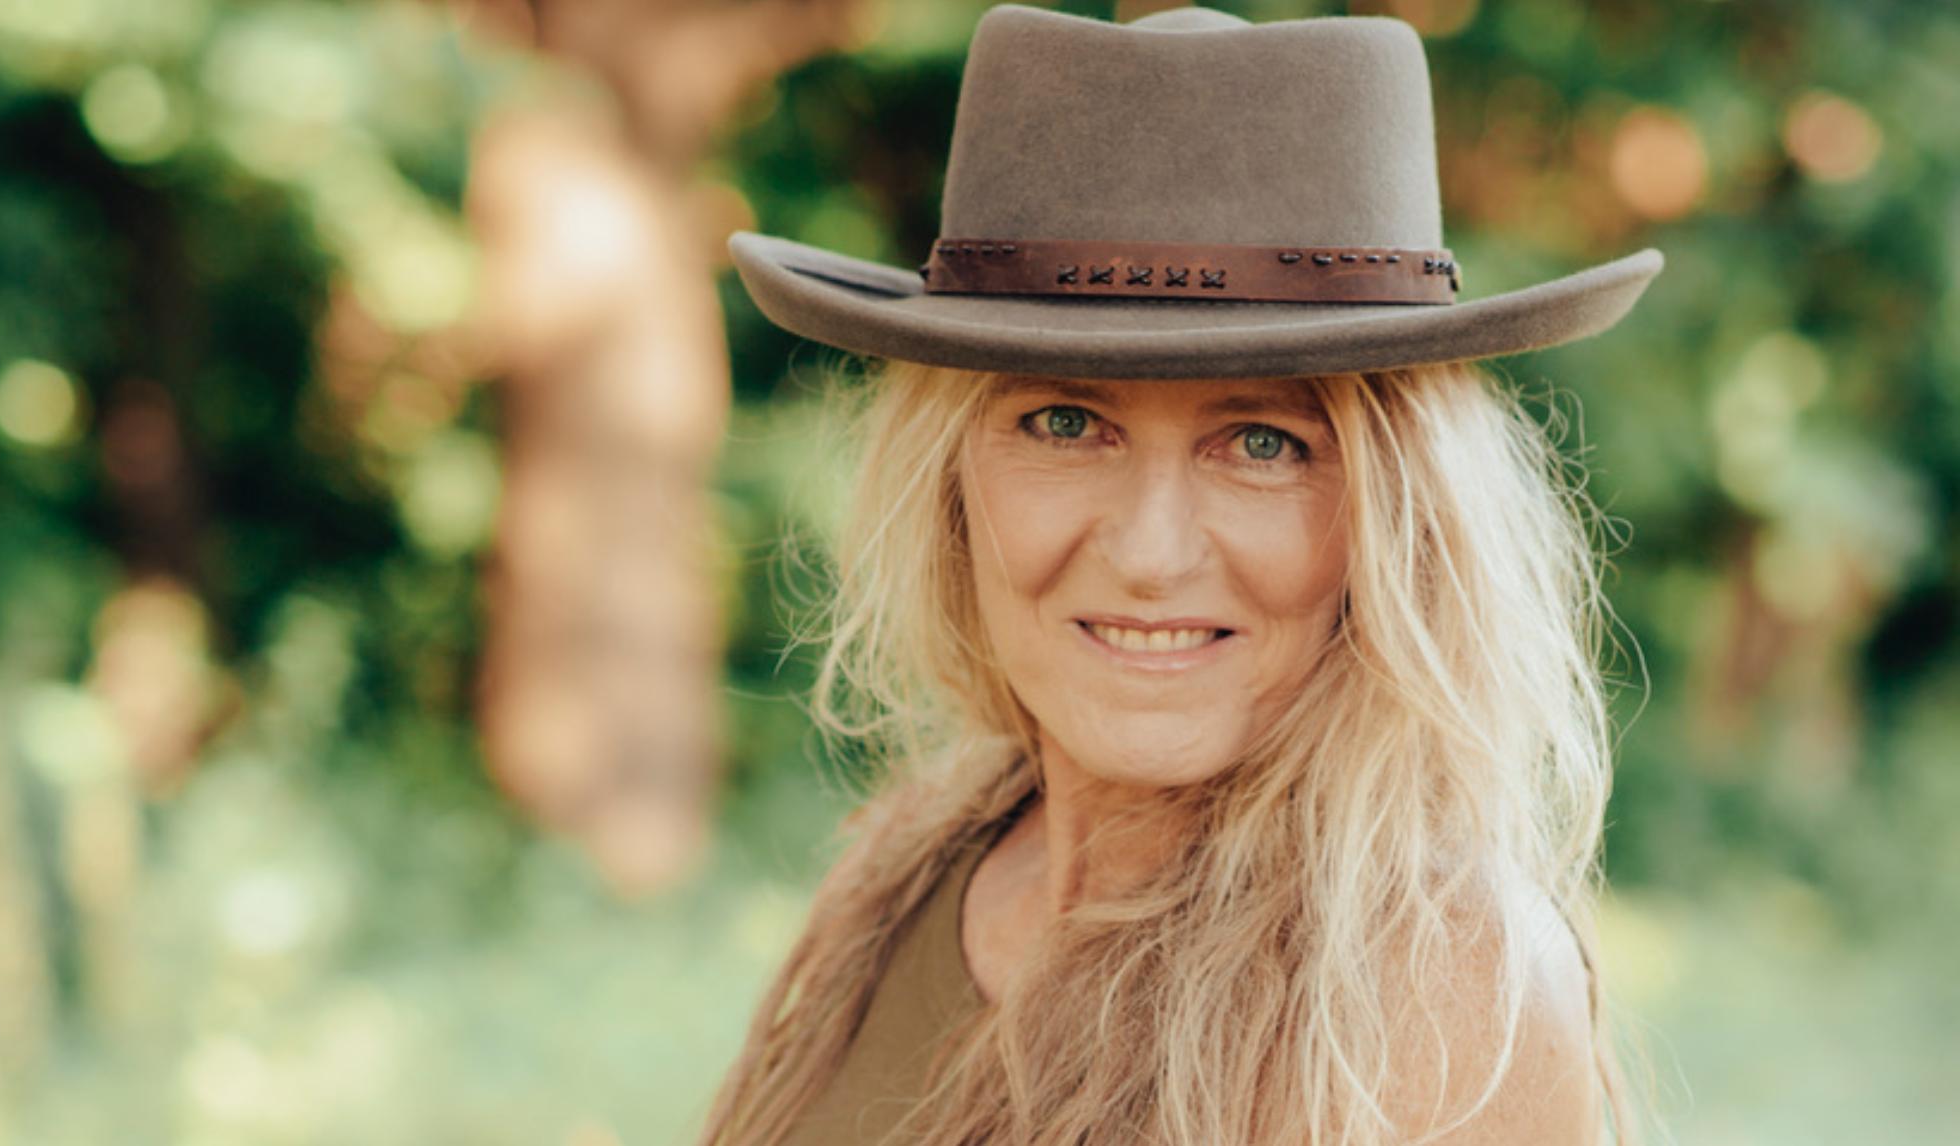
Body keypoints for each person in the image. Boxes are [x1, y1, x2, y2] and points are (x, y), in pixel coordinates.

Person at [705, 5, 1665, 1145]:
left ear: (1399, 518)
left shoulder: (1438, 990)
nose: (1151, 555)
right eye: (1066, 423)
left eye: (1263, 443)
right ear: (949, 481)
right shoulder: (906, 874)